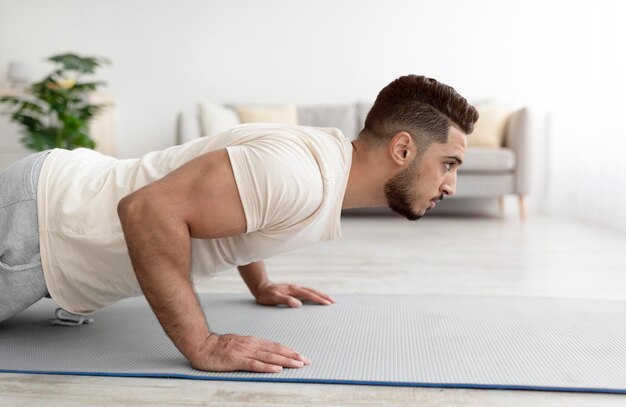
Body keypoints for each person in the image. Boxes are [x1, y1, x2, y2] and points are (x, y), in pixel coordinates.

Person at [0, 75, 478, 373]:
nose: (451, 185)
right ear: (402, 150)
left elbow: (247, 210)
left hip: (58, 219)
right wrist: (202, 344)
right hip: (44, 223)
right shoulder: (300, 176)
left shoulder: (322, 163)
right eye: (449, 164)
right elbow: (147, 210)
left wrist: (261, 282)